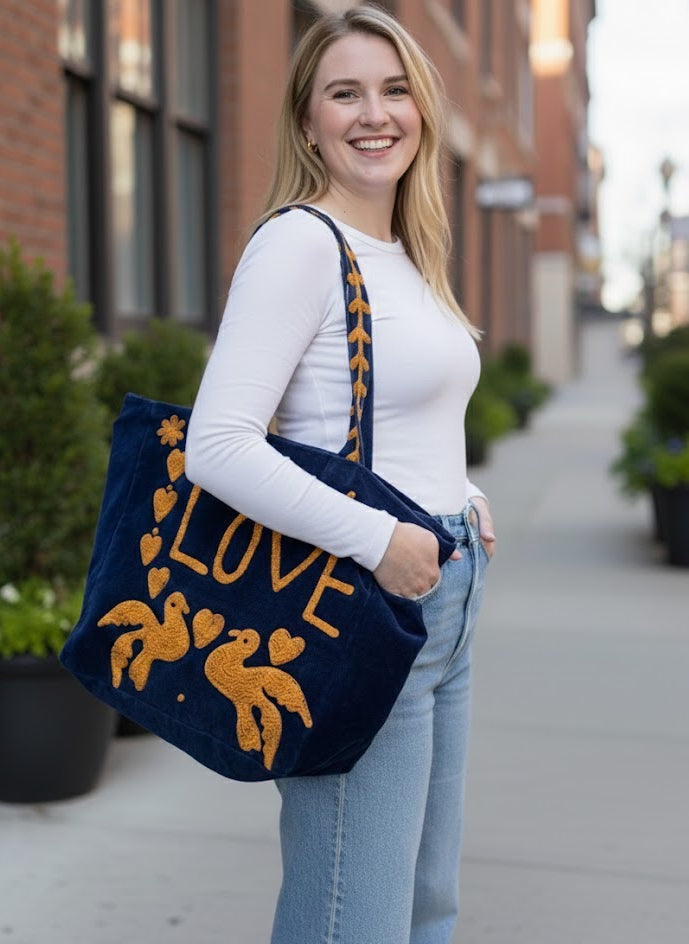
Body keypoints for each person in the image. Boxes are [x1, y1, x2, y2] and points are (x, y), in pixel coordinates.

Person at [185, 6, 495, 943]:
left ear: (422, 112)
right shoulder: (298, 245)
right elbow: (219, 443)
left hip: (446, 598)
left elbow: (409, 414)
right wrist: (384, 538)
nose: (375, 113)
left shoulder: (407, 251)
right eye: (345, 92)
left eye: (394, 90)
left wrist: (463, 496)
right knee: (349, 917)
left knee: (424, 901)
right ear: (307, 119)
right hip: (359, 599)